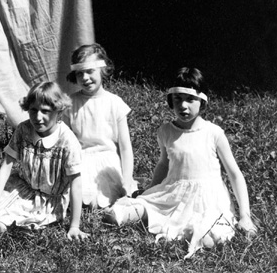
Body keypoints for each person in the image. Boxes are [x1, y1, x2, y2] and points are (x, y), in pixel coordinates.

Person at [105, 67, 258, 258]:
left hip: (208, 201)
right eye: (178, 99)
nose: (183, 106)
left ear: (202, 101)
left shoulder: (213, 133)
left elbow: (235, 174)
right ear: (171, 101)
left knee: (209, 239)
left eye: (190, 99)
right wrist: (150, 191)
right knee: (116, 214)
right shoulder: (166, 132)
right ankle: (142, 211)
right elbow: (163, 164)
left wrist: (245, 215)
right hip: (173, 194)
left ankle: (196, 232)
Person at [0, 82, 88, 240]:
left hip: (49, 201)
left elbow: (76, 184)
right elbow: (6, 168)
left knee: (3, 228)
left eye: (45, 111)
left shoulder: (67, 141)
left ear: (58, 111)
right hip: (20, 189)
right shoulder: (23, 130)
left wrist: (74, 226)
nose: (38, 117)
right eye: (33, 110)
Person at [63, 43, 137, 208]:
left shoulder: (114, 103)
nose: (85, 78)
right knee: (73, 197)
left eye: (90, 71)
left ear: (103, 70)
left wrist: (128, 177)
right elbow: (65, 142)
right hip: (79, 159)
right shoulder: (70, 103)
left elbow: (125, 147)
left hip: (106, 161)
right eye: (80, 73)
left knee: (96, 202)